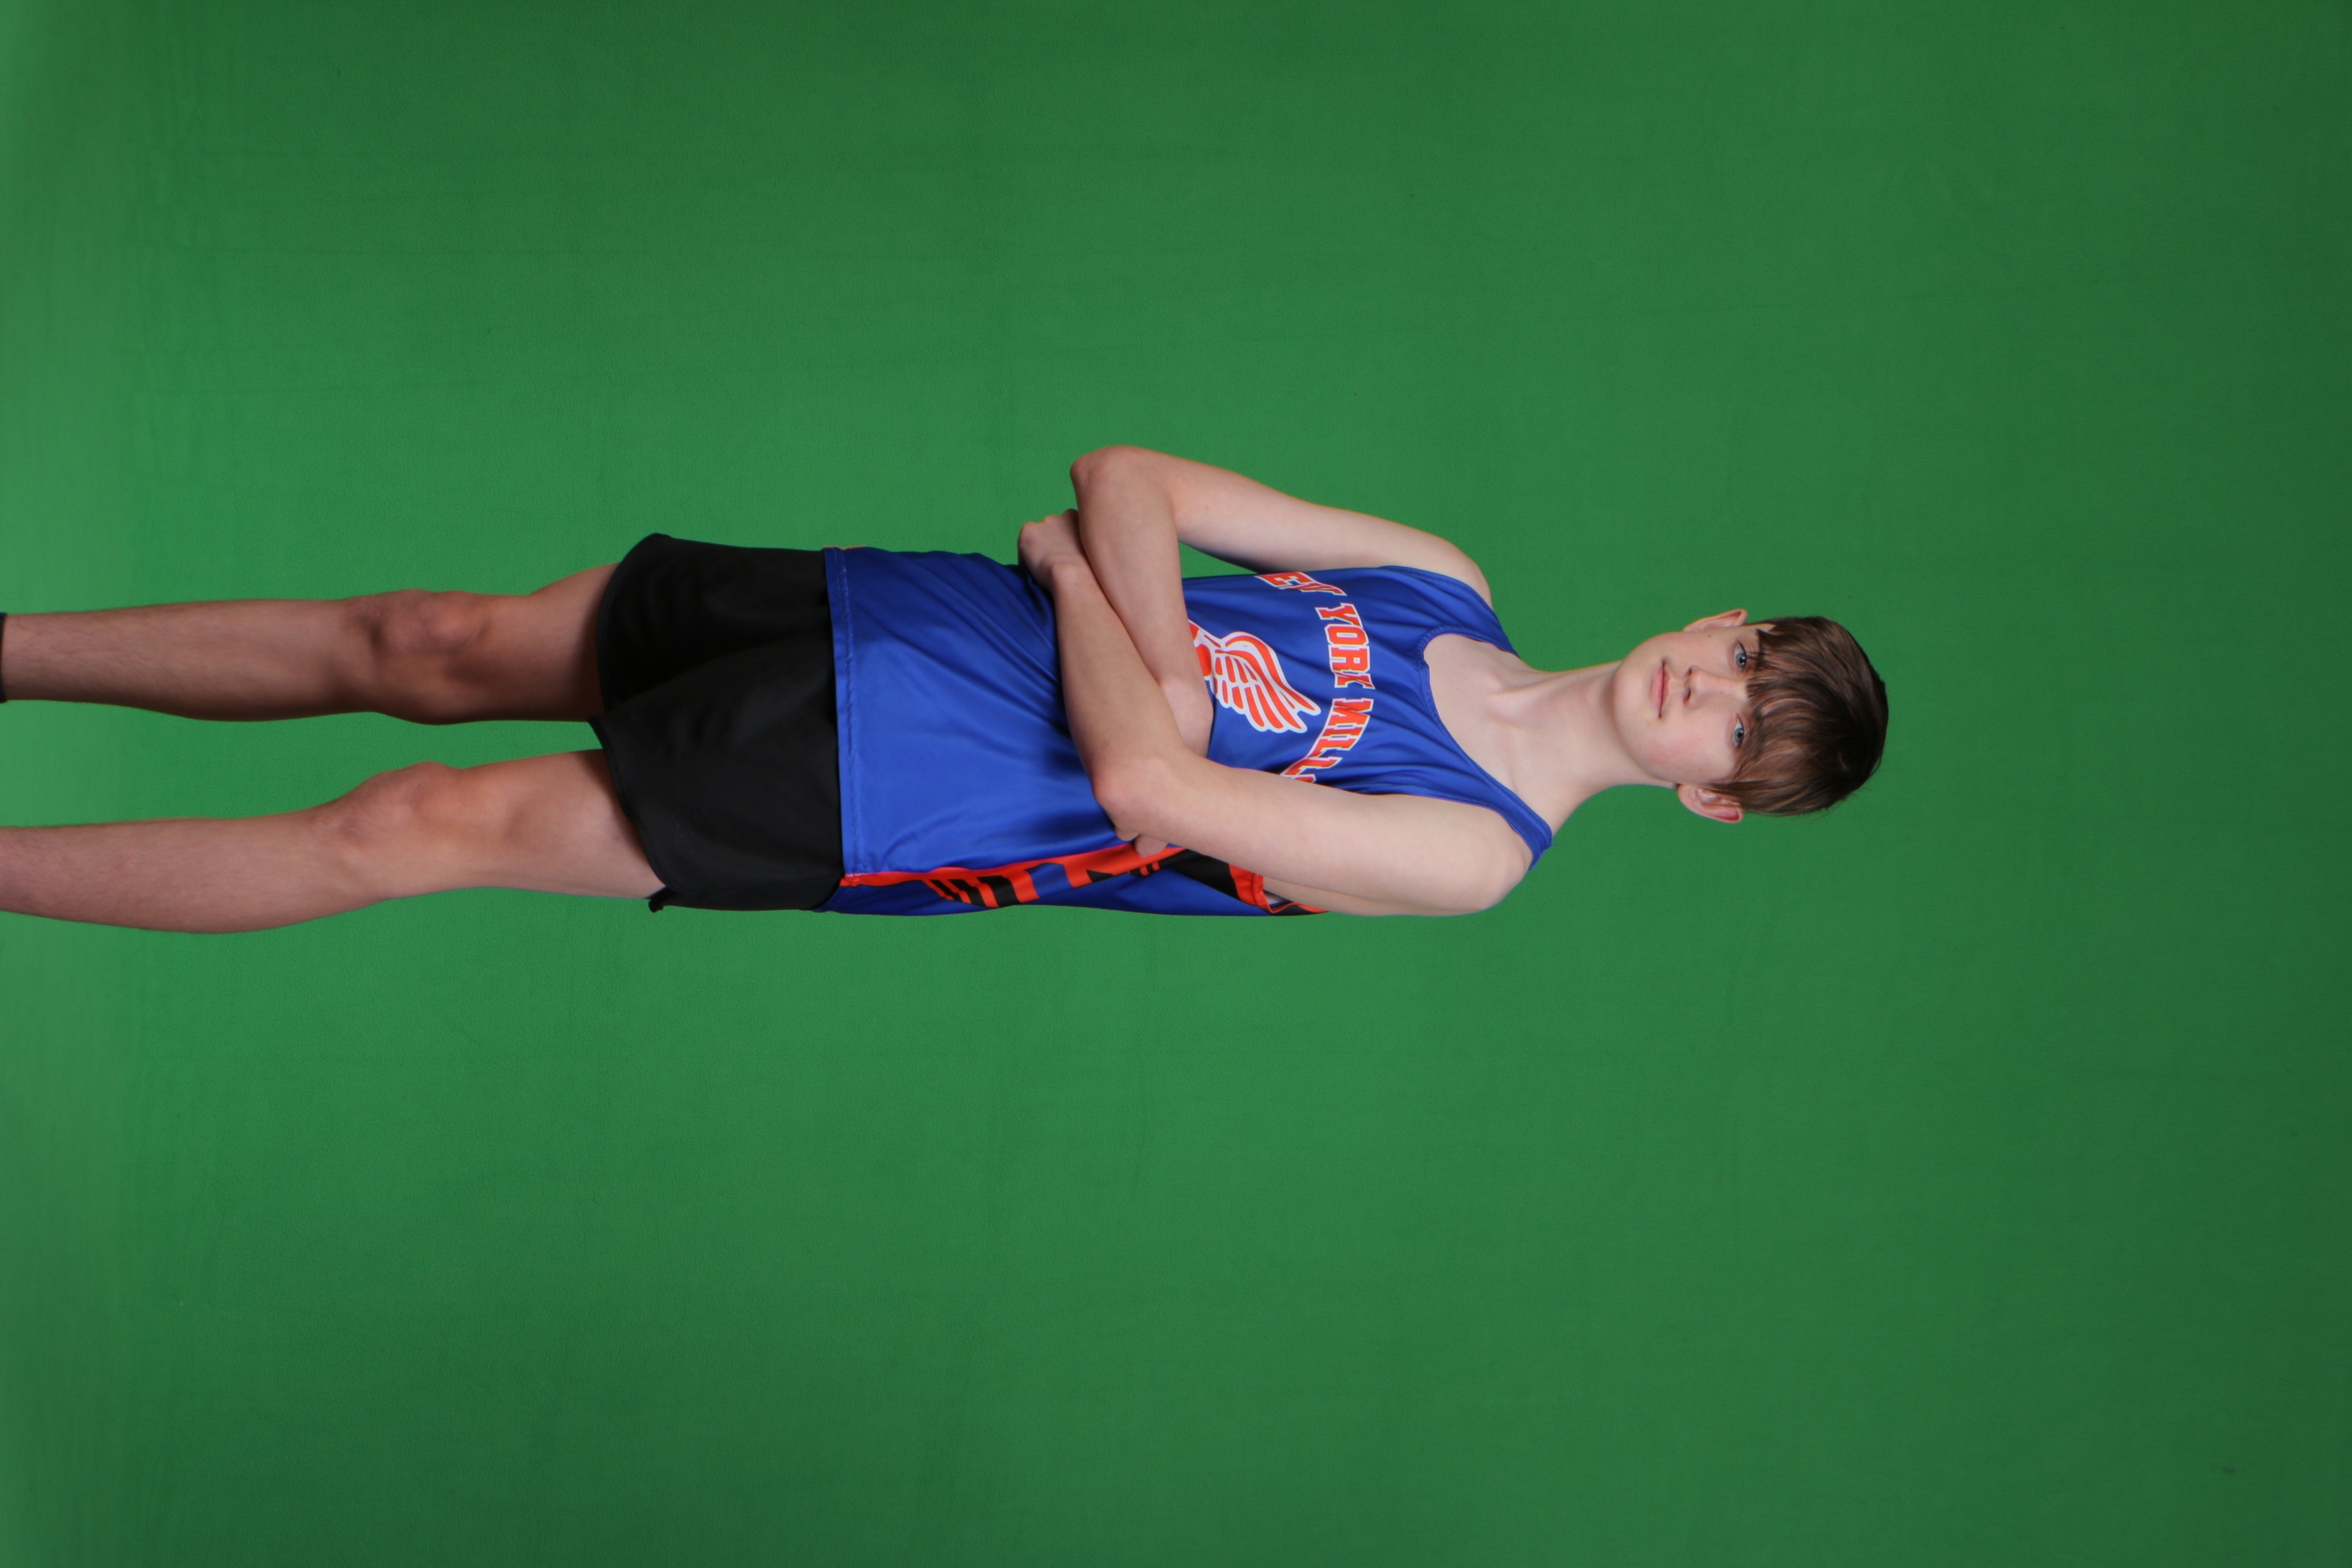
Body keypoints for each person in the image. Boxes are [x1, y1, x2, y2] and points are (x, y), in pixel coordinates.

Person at [0, 447, 1886, 931]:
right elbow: (1129, 478)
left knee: (407, 826)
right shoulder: (1439, 580)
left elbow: (1150, 793)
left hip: (906, 796)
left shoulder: (1475, 851)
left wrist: (1090, 591)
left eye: (1739, 729)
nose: (1704, 689)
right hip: (891, 610)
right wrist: (1138, 637)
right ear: (1722, 617)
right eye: (1743, 658)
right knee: (418, 636)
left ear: (1713, 796)